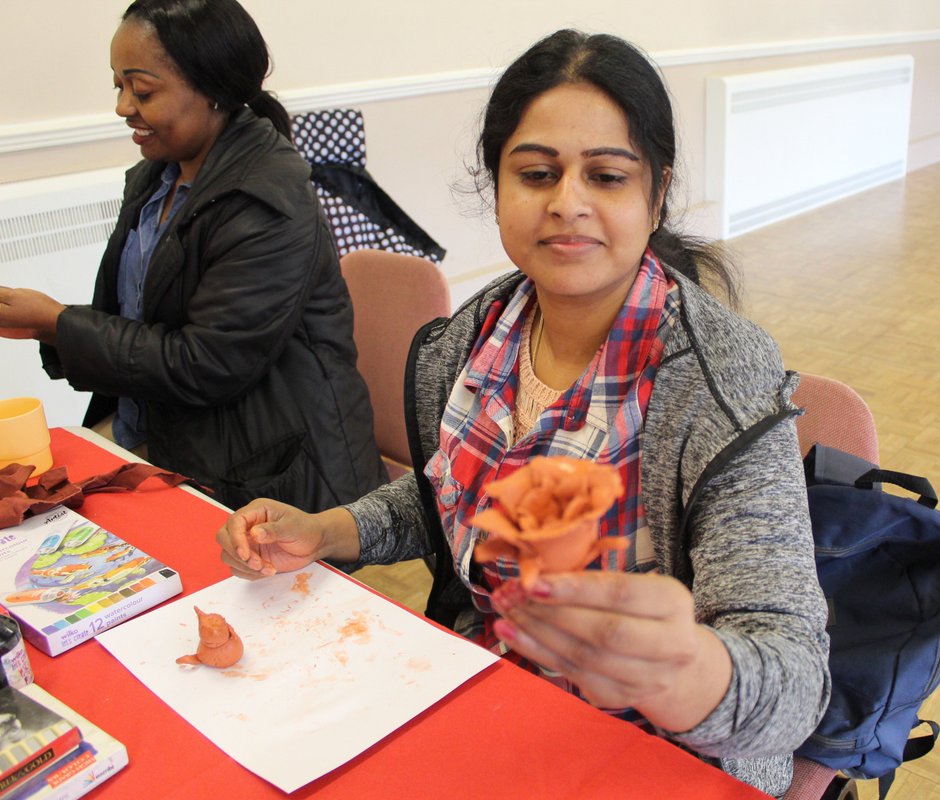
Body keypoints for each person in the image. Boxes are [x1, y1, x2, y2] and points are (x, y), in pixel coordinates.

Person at [215, 29, 830, 797]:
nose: (567, 203)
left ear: (657, 193)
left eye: (607, 176)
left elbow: (796, 679)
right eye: (537, 173)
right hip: (490, 699)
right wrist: (327, 530)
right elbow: (450, 493)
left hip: (663, 753)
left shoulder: (717, 378)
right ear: (497, 184)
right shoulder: (475, 338)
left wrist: (691, 672)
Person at [0, 0, 387, 511]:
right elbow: (144, 320)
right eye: (117, 86)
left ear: (212, 90)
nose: (122, 107)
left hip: (277, 475)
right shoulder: (154, 179)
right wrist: (53, 322)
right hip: (171, 434)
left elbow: (207, 363)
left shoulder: (267, 204)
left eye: (142, 90)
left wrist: (58, 323)